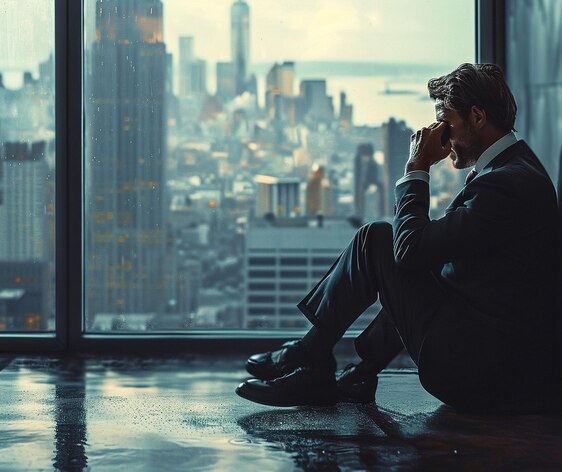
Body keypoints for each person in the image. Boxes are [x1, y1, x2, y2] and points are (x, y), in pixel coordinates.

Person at [236, 63, 561, 412]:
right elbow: (435, 267)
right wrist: (368, 365)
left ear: (478, 116)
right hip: (495, 361)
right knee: (400, 251)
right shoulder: (517, 168)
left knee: (377, 240)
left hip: (482, 374)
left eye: (446, 123)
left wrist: (415, 169)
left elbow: (410, 251)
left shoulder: (506, 184)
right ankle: (344, 367)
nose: (441, 135)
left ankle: (311, 357)